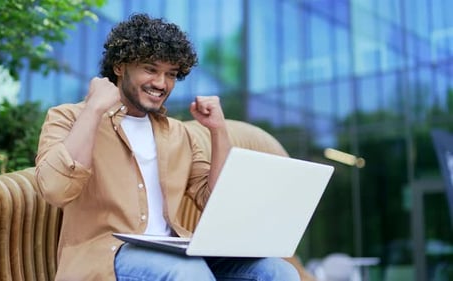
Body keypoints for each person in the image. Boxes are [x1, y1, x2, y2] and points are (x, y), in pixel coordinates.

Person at [35, 13, 300, 281]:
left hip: (173, 252)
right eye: (151, 69)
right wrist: (93, 108)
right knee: (187, 271)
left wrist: (218, 131)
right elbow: (55, 190)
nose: (161, 84)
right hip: (107, 254)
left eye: (171, 74)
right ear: (119, 67)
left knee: (278, 271)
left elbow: (217, 204)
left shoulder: (178, 134)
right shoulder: (68, 117)